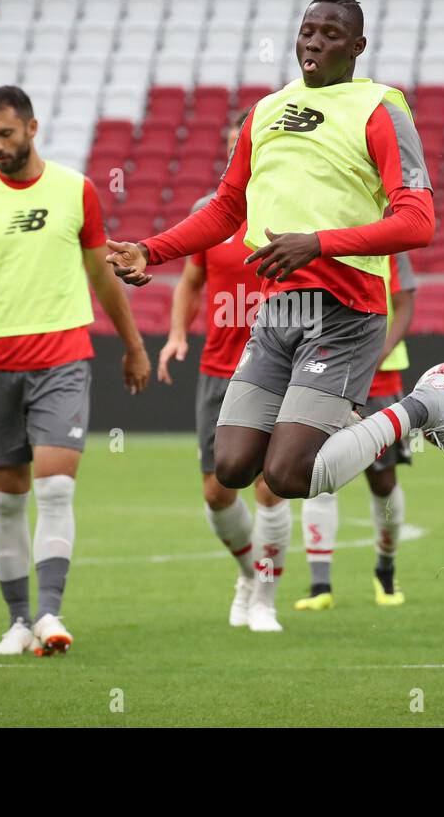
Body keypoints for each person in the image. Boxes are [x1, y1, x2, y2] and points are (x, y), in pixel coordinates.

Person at [106, 0, 444, 636]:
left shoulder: (380, 108)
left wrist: (317, 243)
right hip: (278, 314)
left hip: (348, 312)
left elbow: (418, 221)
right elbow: (227, 209)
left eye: (330, 34)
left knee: (287, 474)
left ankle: (425, 407)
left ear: (357, 47)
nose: (313, 42)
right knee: (230, 467)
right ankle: (260, 578)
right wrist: (150, 249)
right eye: (307, 31)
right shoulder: (266, 111)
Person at [0, 85, 151, 655]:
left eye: (5, 133)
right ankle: (18, 621)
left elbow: (103, 276)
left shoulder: (77, 190)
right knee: (7, 499)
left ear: (32, 128)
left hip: (63, 361)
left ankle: (50, 615)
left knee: (53, 489)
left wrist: (132, 344)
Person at [157, 111, 290, 632]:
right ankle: (248, 574)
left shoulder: (294, 209)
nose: (245, 156)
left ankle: (265, 601)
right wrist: (174, 335)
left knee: (271, 487)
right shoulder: (208, 213)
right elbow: (191, 280)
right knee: (217, 494)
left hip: (278, 367)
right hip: (219, 368)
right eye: (237, 147)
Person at [296, 250, 417, 610]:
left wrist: (381, 350)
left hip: (379, 382)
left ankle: (386, 570)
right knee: (316, 475)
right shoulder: (318, 241)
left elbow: (405, 302)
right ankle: (320, 586)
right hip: (323, 377)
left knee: (383, 481)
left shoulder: (390, 245)